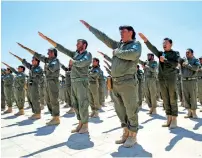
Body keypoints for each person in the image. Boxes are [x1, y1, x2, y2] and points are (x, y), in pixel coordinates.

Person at [81, 20, 141, 148]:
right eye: (120, 32)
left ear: (131, 32)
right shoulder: (118, 45)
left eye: (123, 32)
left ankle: (133, 135)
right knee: (120, 109)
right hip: (115, 82)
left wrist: (117, 52)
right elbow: (104, 38)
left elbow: (133, 54)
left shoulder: (135, 44)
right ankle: (125, 132)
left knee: (131, 109)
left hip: (127, 82)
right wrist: (90, 28)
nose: (121, 34)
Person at [37, 32, 92, 134]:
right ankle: (80, 122)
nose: (76, 45)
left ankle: (85, 125)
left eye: (78, 43)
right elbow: (62, 48)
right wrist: (47, 39)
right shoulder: (75, 54)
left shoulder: (87, 54)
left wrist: (73, 62)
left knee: (83, 103)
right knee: (75, 104)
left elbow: (83, 62)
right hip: (74, 82)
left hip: (82, 82)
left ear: (84, 45)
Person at [139, 33, 180, 129]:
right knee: (165, 98)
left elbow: (175, 64)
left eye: (166, 42)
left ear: (171, 44)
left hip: (171, 78)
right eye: (163, 43)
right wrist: (146, 40)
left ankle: (174, 119)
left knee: (172, 98)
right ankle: (168, 118)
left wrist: (165, 60)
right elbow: (153, 49)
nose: (164, 44)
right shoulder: (161, 54)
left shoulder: (175, 53)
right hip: (162, 79)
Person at [17, 43, 60, 125]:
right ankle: (53, 116)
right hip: (48, 81)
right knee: (48, 100)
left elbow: (51, 68)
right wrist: (26, 48)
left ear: (53, 53)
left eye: (49, 52)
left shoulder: (55, 61)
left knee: (53, 99)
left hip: (53, 81)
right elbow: (38, 55)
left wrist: (46, 65)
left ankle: (56, 117)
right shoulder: (48, 61)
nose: (47, 54)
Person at [10, 52, 44, 119]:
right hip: (31, 86)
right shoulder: (32, 67)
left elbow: (36, 76)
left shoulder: (38, 68)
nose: (31, 61)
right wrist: (18, 57)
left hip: (36, 85)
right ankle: (35, 112)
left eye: (33, 60)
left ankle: (38, 113)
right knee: (31, 99)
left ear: (37, 61)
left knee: (35, 99)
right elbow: (25, 63)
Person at [179, 49, 200, 119]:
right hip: (184, 81)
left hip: (192, 81)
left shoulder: (195, 60)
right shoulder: (184, 60)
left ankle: (194, 113)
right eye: (186, 52)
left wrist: (188, 65)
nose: (186, 54)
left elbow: (196, 68)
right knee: (186, 97)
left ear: (192, 53)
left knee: (193, 96)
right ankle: (189, 112)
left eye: (188, 52)